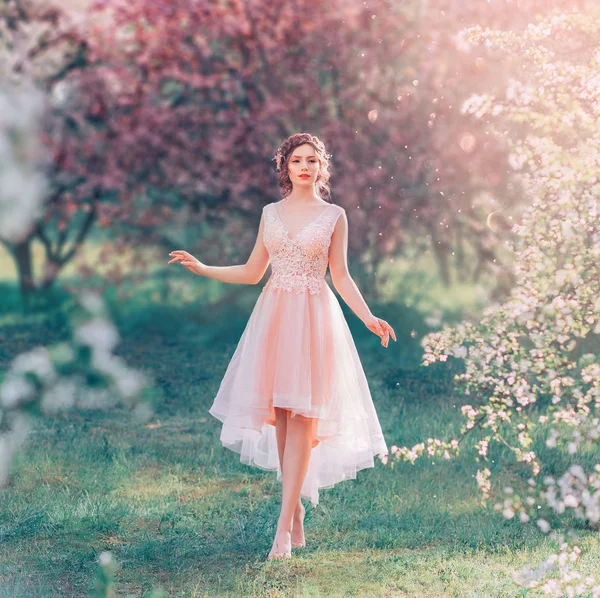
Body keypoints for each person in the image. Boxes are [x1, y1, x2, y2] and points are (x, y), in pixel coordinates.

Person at [168, 132, 396, 560]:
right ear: (286, 168)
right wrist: (203, 268)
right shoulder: (270, 214)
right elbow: (255, 271)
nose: (305, 167)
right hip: (274, 316)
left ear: (321, 167)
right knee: (280, 417)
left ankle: (282, 531)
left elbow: (341, 276)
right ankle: (294, 511)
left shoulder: (334, 216)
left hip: (314, 318)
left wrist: (368, 318)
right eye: (297, 161)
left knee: (305, 419)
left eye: (312, 160)